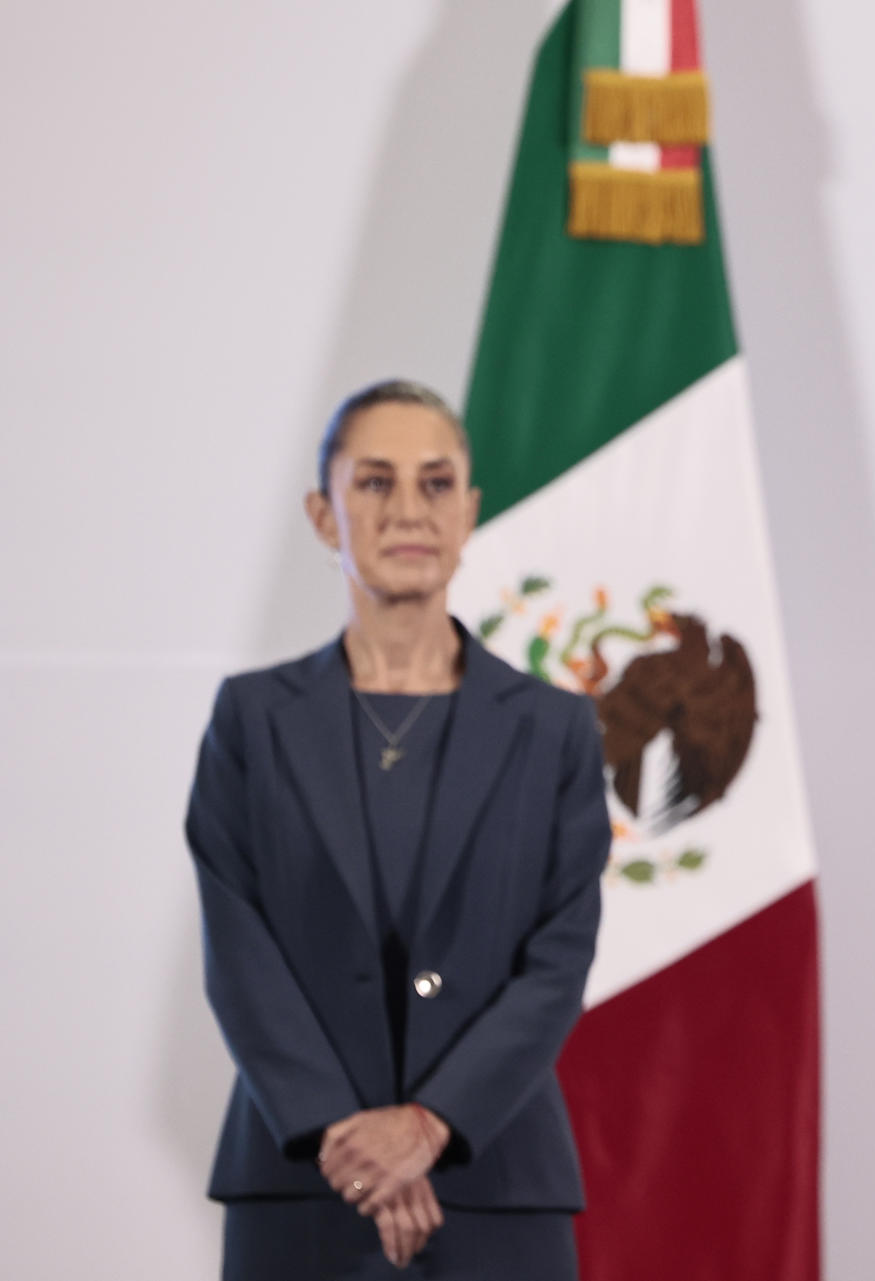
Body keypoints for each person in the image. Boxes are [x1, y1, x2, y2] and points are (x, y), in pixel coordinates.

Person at [186, 380, 611, 1277]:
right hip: (304, 1182)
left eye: (435, 482)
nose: (408, 509)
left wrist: (428, 1126)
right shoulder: (252, 719)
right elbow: (239, 954)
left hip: (496, 1182)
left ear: (469, 510)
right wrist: (352, 1140)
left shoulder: (556, 729)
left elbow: (560, 956)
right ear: (324, 513)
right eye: (375, 482)